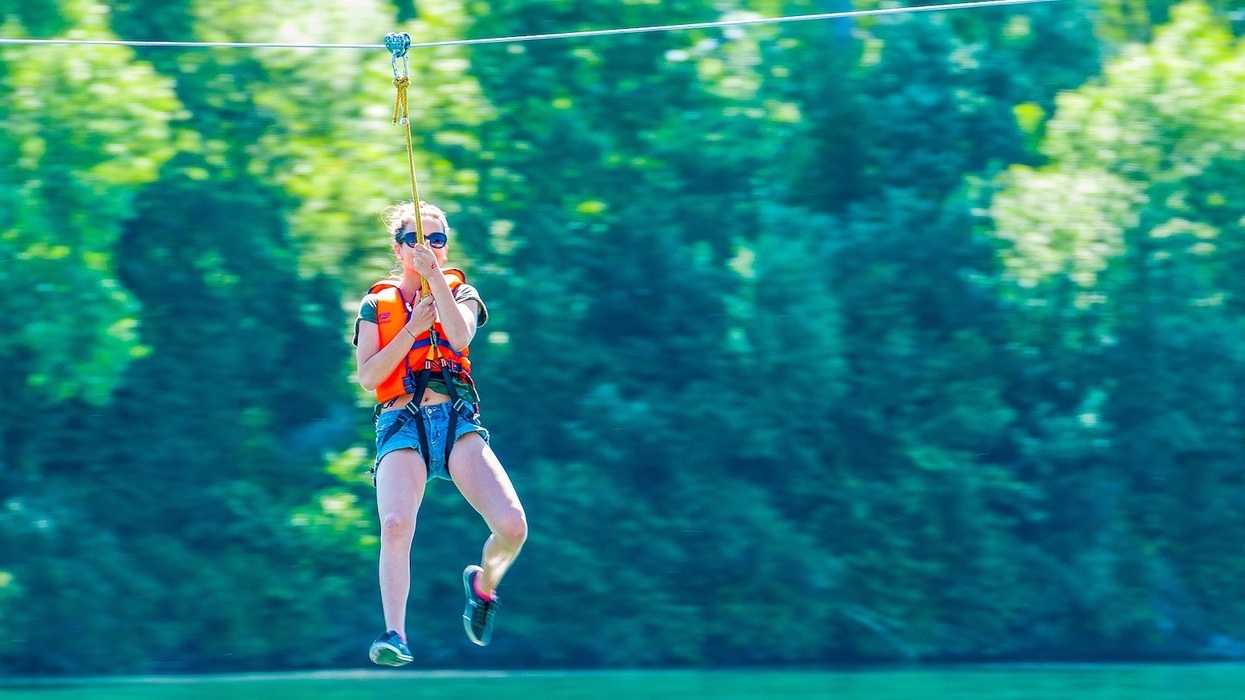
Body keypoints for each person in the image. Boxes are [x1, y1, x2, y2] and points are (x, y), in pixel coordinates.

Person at [353, 200, 527, 665]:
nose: (425, 247)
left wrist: (437, 286)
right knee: (394, 523)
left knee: (512, 527)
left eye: (435, 240)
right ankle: (395, 634)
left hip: (453, 420)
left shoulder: (462, 293)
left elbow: (460, 336)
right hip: (401, 418)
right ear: (398, 248)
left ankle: (482, 587)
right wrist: (411, 329)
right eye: (414, 240)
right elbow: (369, 376)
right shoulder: (376, 306)